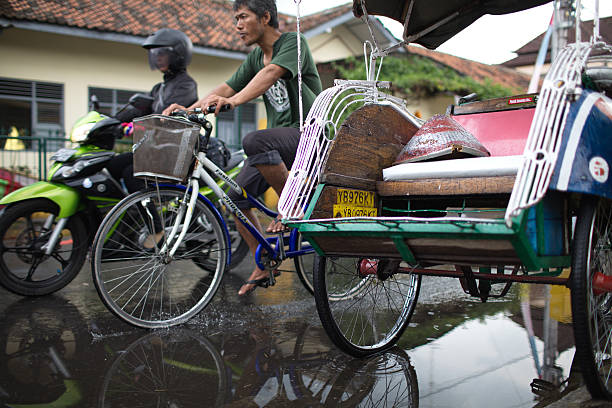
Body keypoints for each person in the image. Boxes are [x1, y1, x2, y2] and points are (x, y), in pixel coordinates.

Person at [163, 0, 322, 295]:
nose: (237, 25)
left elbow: (271, 73)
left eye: (242, 17)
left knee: (254, 139)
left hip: (310, 135)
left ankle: (295, 206)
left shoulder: (292, 42)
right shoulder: (254, 58)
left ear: (265, 17)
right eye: (235, 18)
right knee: (235, 197)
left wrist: (235, 102)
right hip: (279, 144)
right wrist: (189, 109)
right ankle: (264, 263)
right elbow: (224, 89)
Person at [108, 28, 198, 248]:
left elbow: (165, 117)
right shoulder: (160, 87)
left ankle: (156, 229)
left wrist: (136, 128)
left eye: (162, 53)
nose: (157, 57)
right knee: (111, 164)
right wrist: (110, 122)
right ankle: (123, 225)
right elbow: (139, 107)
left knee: (131, 173)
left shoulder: (186, 84)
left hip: (173, 153)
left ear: (177, 55)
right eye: (155, 53)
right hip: (157, 151)